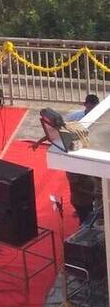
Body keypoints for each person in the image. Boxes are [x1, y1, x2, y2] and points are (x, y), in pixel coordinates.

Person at [65, 94, 101, 224]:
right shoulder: (74, 117)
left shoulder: (101, 118)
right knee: (85, 218)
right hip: (81, 199)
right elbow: (63, 131)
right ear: (85, 105)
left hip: (92, 151)